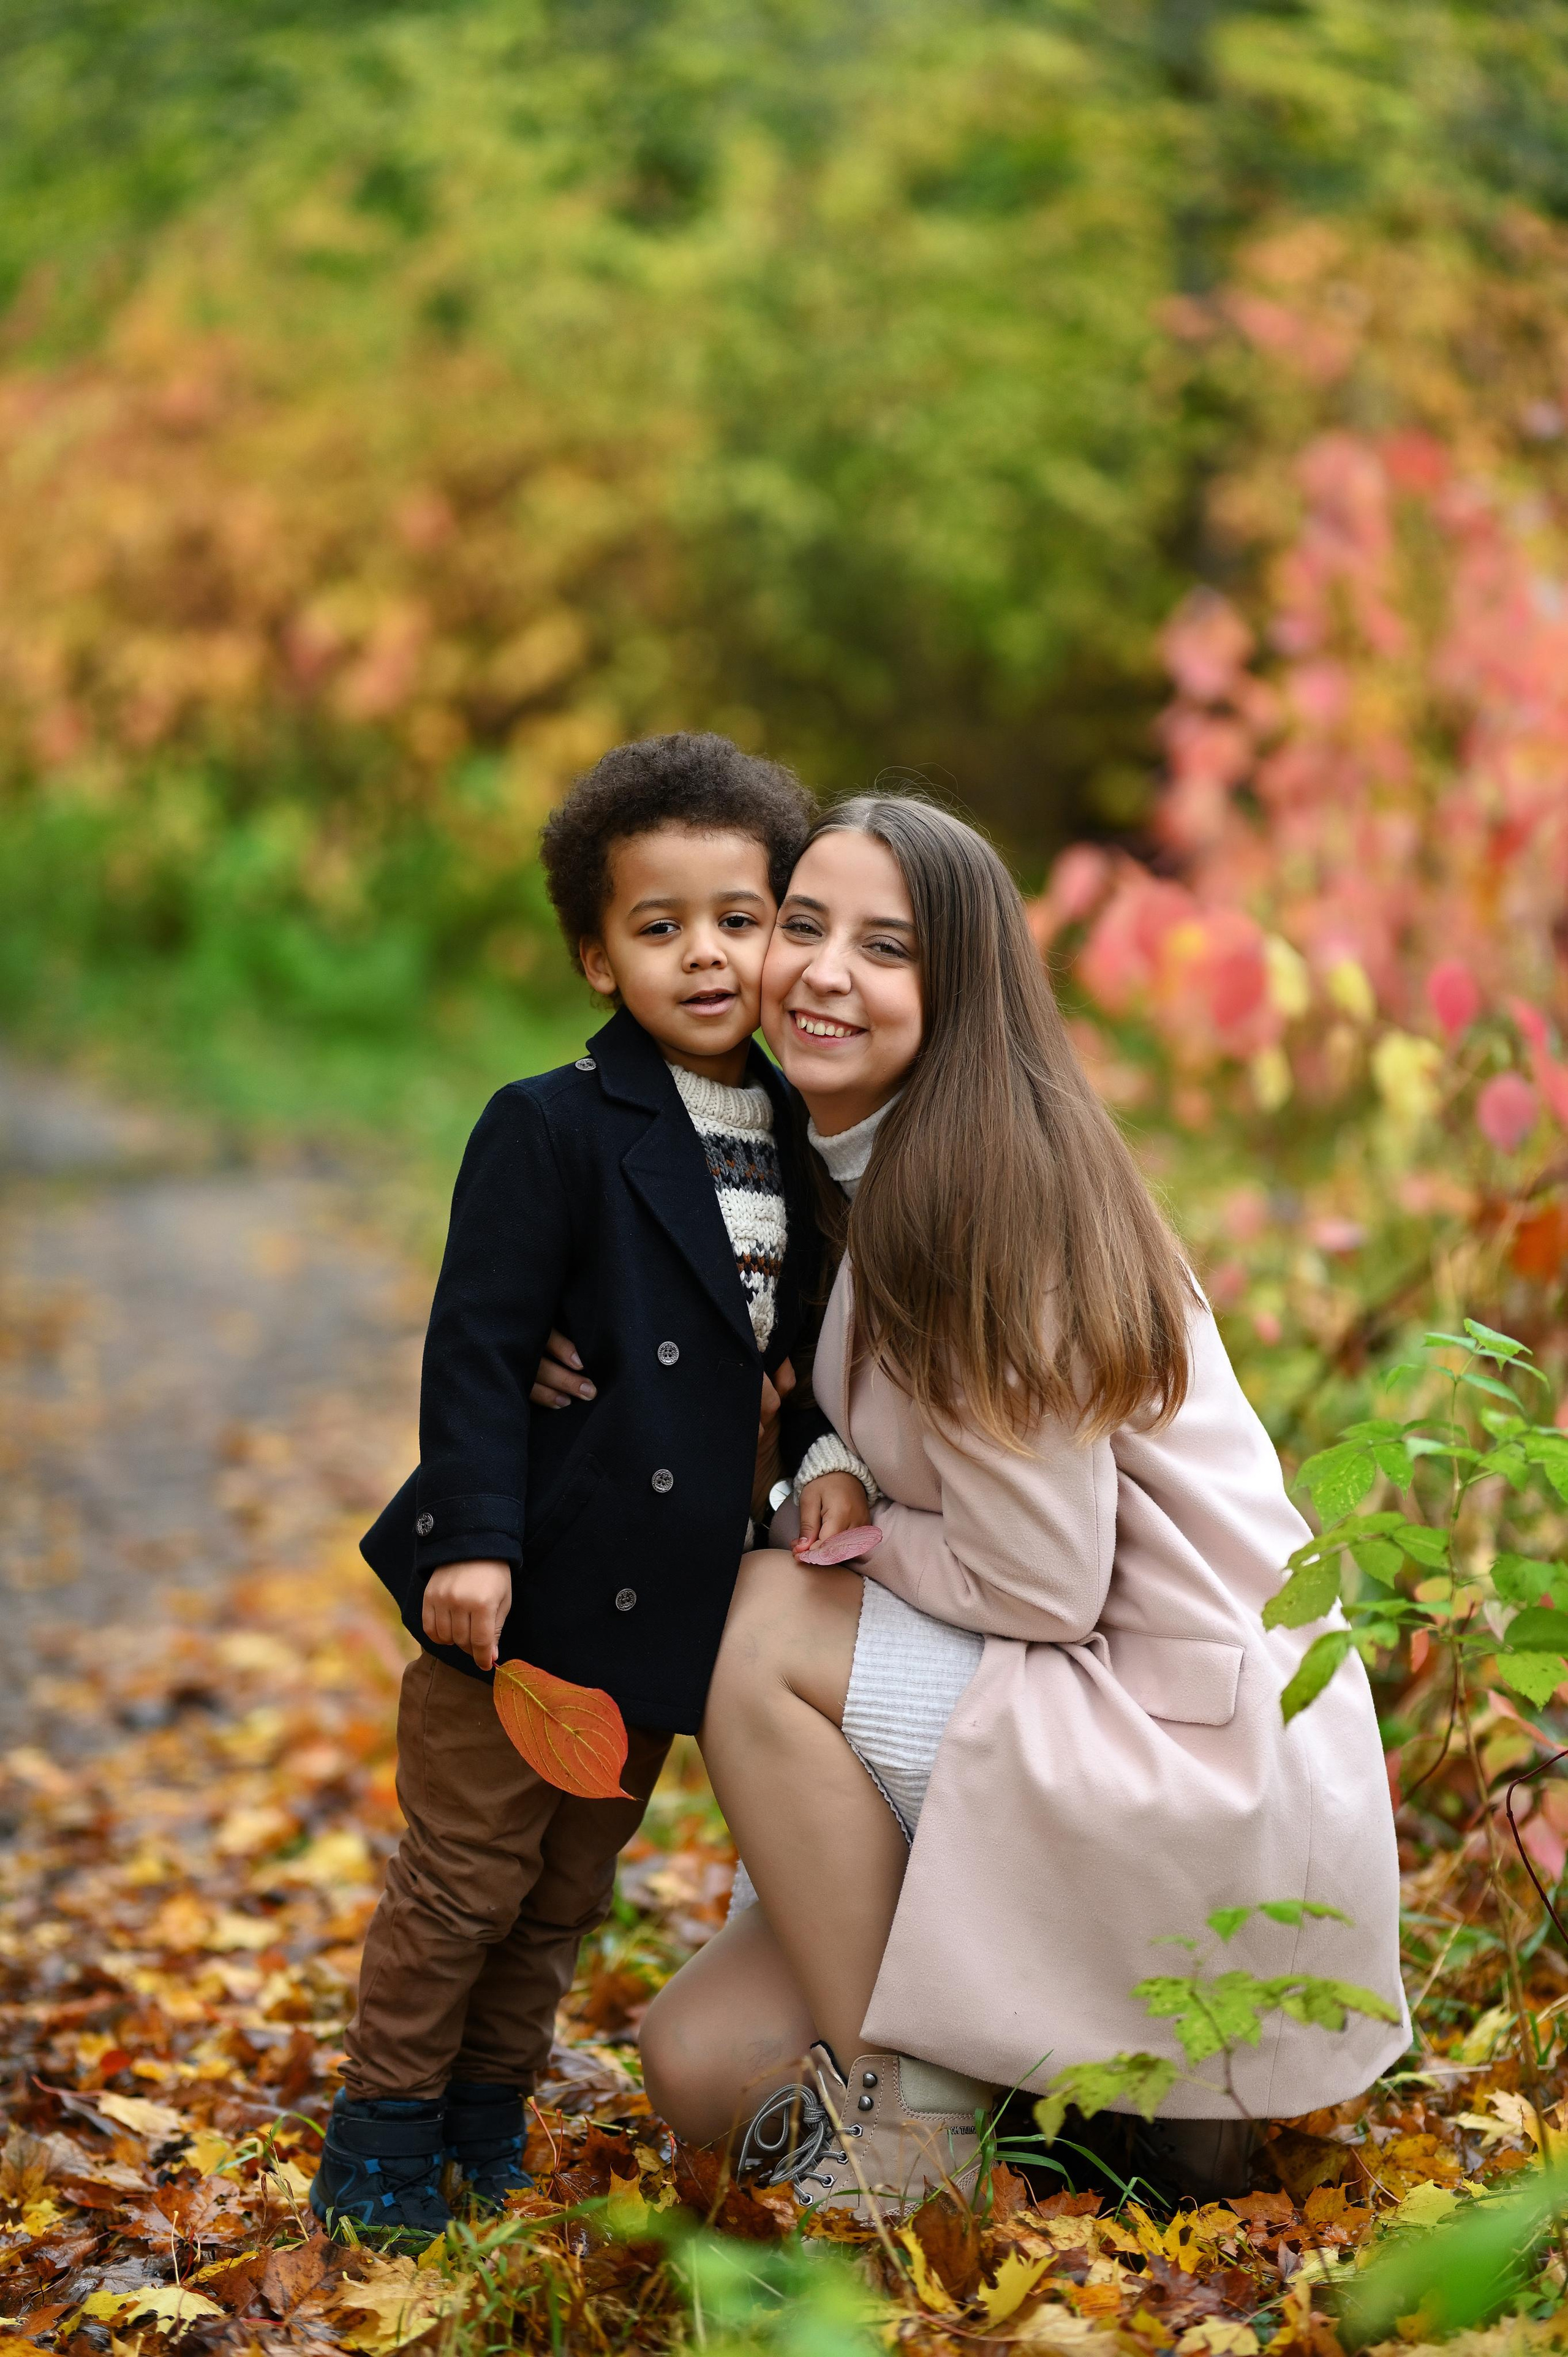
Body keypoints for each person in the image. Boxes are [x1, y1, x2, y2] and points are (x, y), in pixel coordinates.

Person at [634, 795, 1408, 2217]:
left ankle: (915, 2132)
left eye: (885, 947)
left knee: (761, 1619)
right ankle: (1059, 2111)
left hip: (1180, 1746)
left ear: (961, 989)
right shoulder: (857, 1164)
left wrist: (842, 1541)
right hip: (1064, 1693)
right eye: (801, 925)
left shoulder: (985, 1196)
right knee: (696, 2060)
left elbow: (1044, 1580)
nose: (820, 972)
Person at [311, 733, 871, 2245]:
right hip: (535, 1583)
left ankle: (486, 2122)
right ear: (594, 953)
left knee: (564, 1891)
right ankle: (377, 2134)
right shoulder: (553, 1122)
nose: (706, 954)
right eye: (659, 924)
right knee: (462, 1881)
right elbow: (480, 1349)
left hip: (659, 1611)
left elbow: (807, 1345)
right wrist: (475, 1539)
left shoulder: (808, 1136)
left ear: (782, 934)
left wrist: (814, 1452)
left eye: (740, 920)